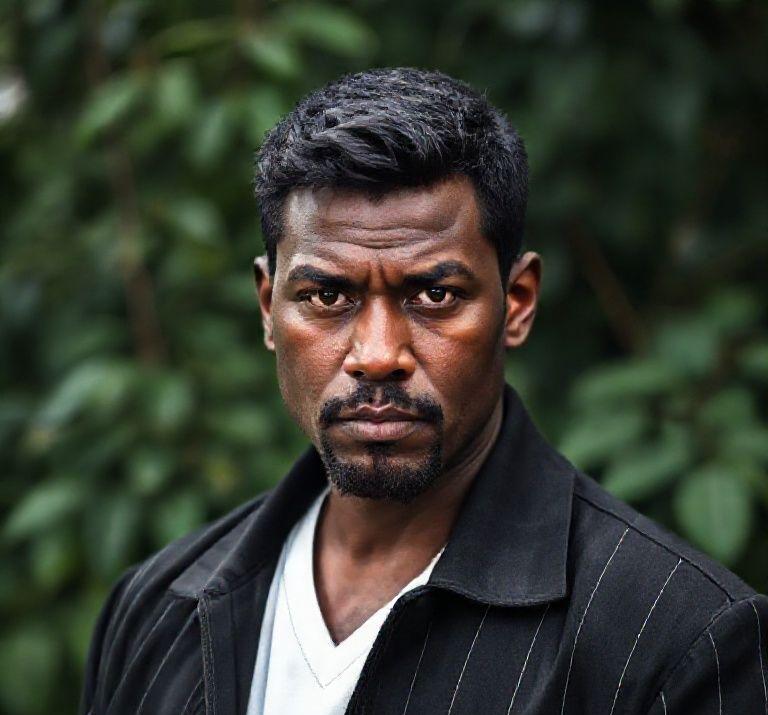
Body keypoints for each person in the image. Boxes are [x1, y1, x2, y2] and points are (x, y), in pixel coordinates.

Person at [80, 68, 767, 715]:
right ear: (268, 307)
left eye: (435, 294)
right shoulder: (155, 612)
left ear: (517, 302)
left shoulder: (678, 640)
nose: (378, 355)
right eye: (327, 296)